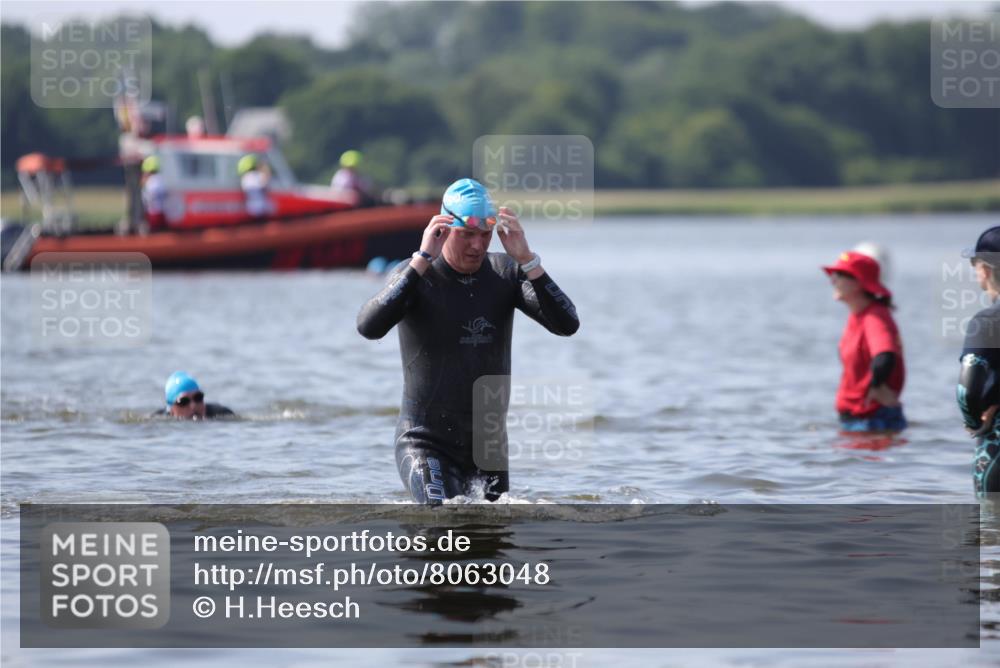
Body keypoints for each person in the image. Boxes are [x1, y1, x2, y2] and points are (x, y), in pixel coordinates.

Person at [357, 178, 579, 504]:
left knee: (492, 545)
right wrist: (421, 258)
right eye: (467, 234)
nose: (477, 245)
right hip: (425, 443)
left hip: (488, 449)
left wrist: (528, 260)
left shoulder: (506, 273)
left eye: (485, 235)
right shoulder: (417, 276)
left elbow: (567, 324)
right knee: (442, 523)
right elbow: (369, 327)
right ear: (443, 229)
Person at [822, 250, 906, 432]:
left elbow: (885, 356)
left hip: (872, 419)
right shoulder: (857, 315)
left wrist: (876, 388)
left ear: (858, 283)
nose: (833, 280)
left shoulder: (874, 317)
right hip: (858, 419)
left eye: (839, 275)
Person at [958, 226, 1000, 496]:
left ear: (984, 269)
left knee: (992, 529)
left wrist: (975, 422)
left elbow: (967, 390)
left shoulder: (986, 321)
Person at [153, 371, 235, 420]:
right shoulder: (158, 420)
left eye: (198, 398)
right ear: (171, 411)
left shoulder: (223, 414)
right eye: (184, 401)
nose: (193, 405)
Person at [237, 154, 272, 218]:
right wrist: (264, 167)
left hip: (250, 209)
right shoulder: (257, 176)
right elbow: (265, 182)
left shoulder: (244, 178)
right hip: (261, 208)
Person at [140, 155, 167, 232]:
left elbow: (148, 198)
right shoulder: (161, 179)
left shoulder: (152, 181)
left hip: (153, 214)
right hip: (161, 213)